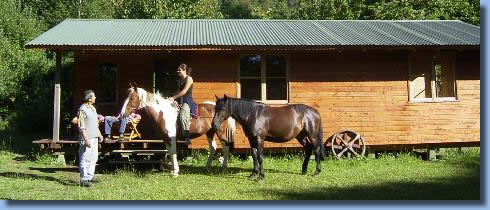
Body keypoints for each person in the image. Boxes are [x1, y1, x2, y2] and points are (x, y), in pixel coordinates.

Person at [77, 90, 104, 187]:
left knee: (93, 159)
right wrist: (86, 139)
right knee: (85, 158)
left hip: (94, 137)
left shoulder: (93, 108)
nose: (95, 98)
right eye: (94, 96)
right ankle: (83, 180)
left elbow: (95, 123)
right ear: (89, 98)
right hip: (87, 138)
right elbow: (81, 126)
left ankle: (89, 177)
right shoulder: (82, 110)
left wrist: (99, 134)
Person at [169, 63, 196, 145]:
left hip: (187, 101)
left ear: (184, 70)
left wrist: (173, 98)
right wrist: (175, 101)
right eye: (177, 70)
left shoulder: (189, 78)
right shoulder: (180, 80)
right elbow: (179, 93)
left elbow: (184, 92)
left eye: (179, 70)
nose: (178, 71)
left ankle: (187, 137)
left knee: (182, 116)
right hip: (181, 101)